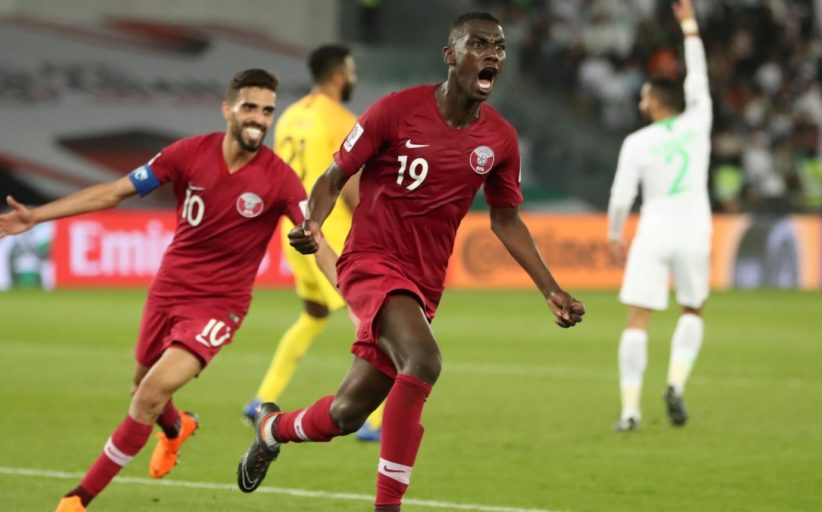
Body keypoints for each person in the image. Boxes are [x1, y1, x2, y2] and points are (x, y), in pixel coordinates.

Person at [235, 11, 586, 512]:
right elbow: (333, 178)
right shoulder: (395, 111)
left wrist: (551, 288)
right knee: (423, 361)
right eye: (478, 44)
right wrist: (313, 222)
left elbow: (505, 220)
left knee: (346, 413)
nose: (492, 53)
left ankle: (272, 428)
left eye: (499, 47)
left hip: (423, 282)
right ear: (449, 55)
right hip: (370, 261)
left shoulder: (499, 140)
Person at [0, 69, 314, 512]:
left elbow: (315, 237)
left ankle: (78, 499)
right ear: (228, 109)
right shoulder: (188, 153)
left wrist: (356, 291)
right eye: (250, 107)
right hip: (168, 289)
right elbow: (115, 192)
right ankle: (176, 428)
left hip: (219, 306)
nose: (259, 118)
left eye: (267, 111)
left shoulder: (279, 179)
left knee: (148, 394)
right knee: (140, 388)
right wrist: (35, 216)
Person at [242, 44, 384, 442]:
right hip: (331, 232)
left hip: (294, 229)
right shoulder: (340, 119)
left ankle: (262, 397)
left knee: (314, 314)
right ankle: (373, 420)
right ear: (338, 76)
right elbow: (350, 183)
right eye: (351, 72)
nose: (353, 79)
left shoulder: (289, 116)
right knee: (372, 320)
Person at [607, 0, 712, 432]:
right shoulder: (698, 121)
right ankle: (675, 384)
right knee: (692, 309)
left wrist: (615, 235)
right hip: (695, 232)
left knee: (638, 319)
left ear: (653, 101)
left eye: (643, 95)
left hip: (653, 233)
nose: (640, 100)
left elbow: (621, 197)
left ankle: (630, 410)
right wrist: (689, 27)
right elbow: (698, 76)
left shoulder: (637, 142)